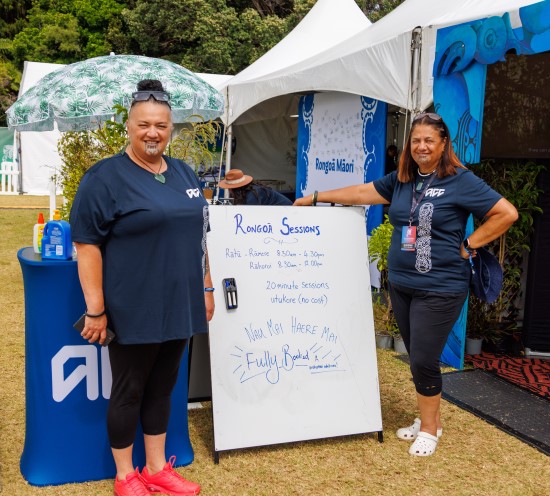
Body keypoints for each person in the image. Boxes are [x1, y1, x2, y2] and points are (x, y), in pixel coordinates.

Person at [294, 111, 517, 457]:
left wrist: (470, 244)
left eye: (429, 140)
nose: (422, 147)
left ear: (443, 144)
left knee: (423, 358)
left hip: (441, 285)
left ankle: (429, 430)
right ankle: (432, 420)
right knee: (417, 355)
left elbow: (506, 213)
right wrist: (316, 197)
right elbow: (361, 192)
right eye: (416, 141)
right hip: (401, 283)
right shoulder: (403, 180)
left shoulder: (461, 180)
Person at [70, 79, 213, 496]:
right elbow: (87, 245)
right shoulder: (105, 177)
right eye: (144, 124)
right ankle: (124, 475)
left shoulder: (184, 172)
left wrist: (205, 286)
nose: (153, 132)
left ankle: (155, 469)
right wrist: (96, 309)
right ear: (128, 126)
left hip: (181, 302)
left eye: (162, 125)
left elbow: (201, 237)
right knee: (129, 390)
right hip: (133, 305)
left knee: (164, 388)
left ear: (172, 129)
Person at [218, 168, 292, 205]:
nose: (228, 190)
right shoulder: (250, 191)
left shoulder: (253, 195)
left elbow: (250, 217)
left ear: (233, 189)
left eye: (228, 188)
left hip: (288, 214)